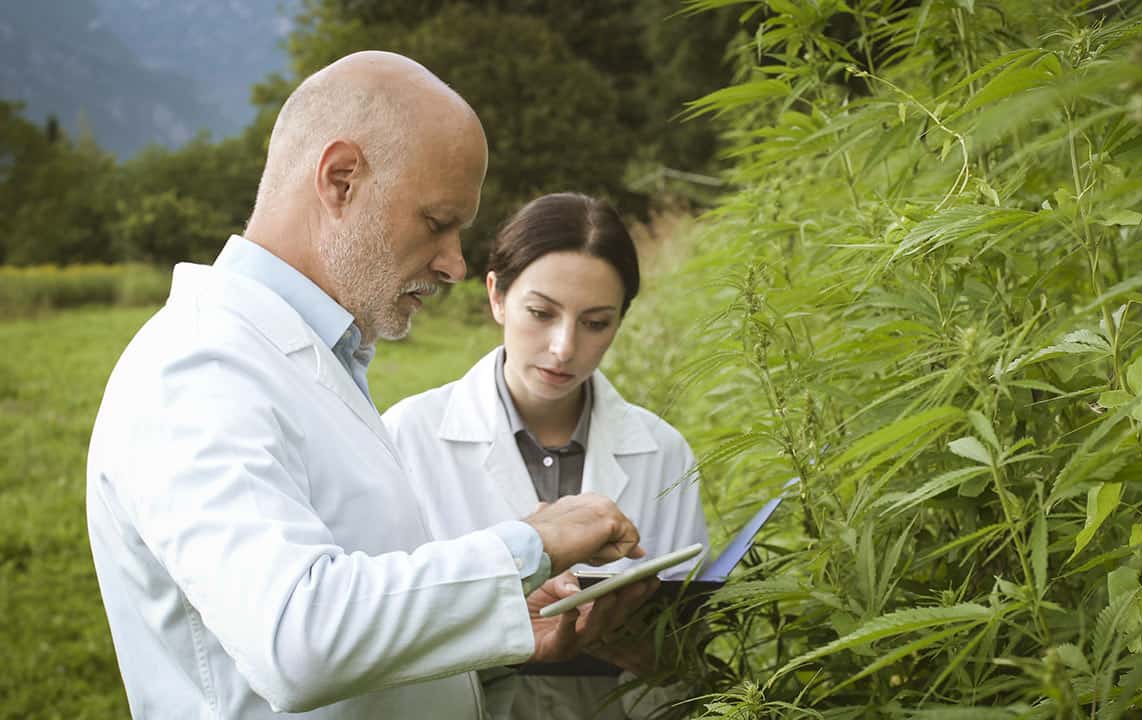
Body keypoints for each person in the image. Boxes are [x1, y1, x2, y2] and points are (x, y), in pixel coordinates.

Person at [85, 52, 653, 719]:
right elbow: (296, 638)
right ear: (340, 179)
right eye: (438, 222)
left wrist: (492, 634)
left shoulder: (309, 357)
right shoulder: (197, 368)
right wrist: (530, 544)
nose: (454, 264)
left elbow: (354, 612)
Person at [382, 193, 710, 719]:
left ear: (620, 322)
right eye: (540, 313)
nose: (563, 347)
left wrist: (656, 658)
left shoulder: (663, 452)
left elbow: (688, 649)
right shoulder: (407, 436)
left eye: (595, 323)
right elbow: (382, 631)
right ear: (496, 297)